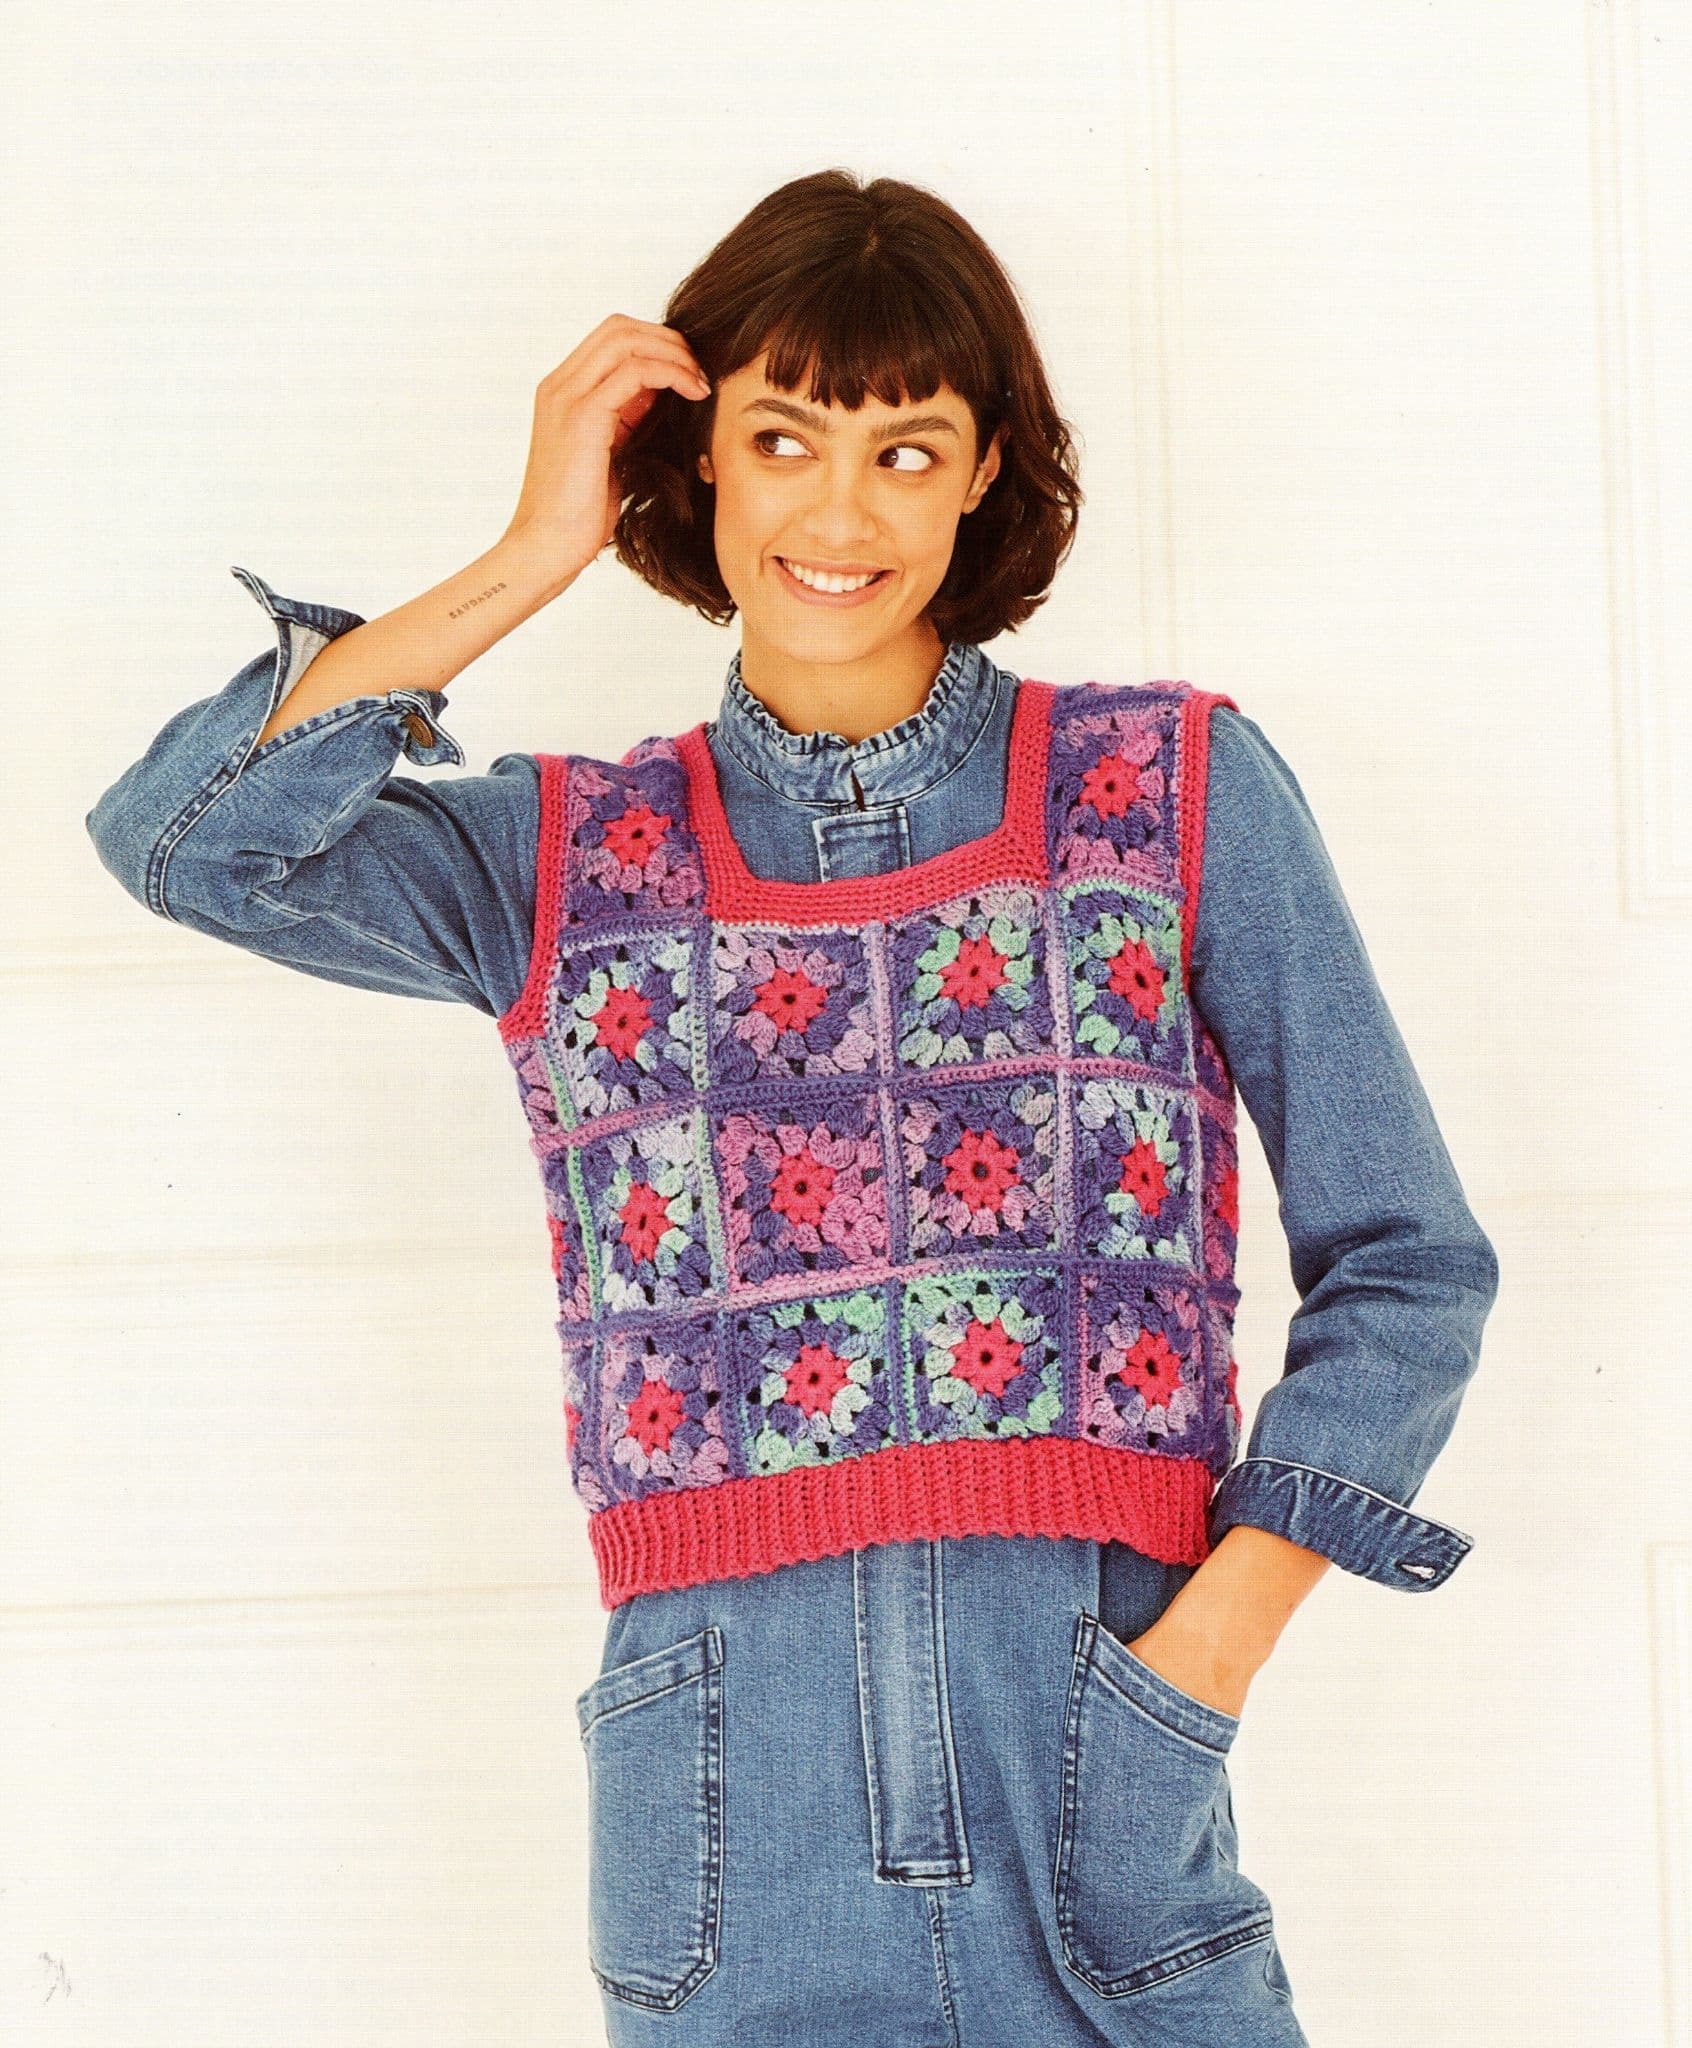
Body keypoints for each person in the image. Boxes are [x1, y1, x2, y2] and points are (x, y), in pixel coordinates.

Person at [86, 168, 1500, 2045]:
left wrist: (1208, 1657)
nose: (840, 514)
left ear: (985, 472)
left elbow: (1410, 1261)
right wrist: (536, 545)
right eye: (781, 439)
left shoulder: (1169, 792)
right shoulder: (561, 860)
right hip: (726, 1833)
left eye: (907, 451)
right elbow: (183, 845)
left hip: (1096, 1779)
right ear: (697, 460)